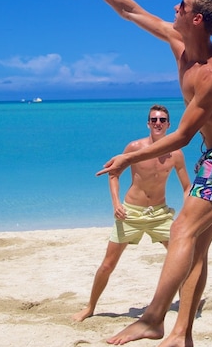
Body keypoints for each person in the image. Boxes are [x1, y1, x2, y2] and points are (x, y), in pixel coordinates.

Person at [55, 0, 212, 347]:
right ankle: (181, 334)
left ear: (196, 18)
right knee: (196, 248)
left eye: (181, 5)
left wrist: (129, 156)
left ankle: (153, 319)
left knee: (182, 229)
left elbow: (182, 136)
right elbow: (131, 11)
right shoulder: (178, 43)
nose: (174, 8)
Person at [71, 104, 191, 323]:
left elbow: (186, 187)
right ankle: (90, 307)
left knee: (181, 259)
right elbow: (114, 173)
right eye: (154, 120)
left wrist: (187, 213)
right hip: (130, 213)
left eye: (162, 120)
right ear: (148, 123)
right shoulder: (135, 147)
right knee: (108, 264)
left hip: (159, 215)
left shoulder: (176, 154)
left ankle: (185, 307)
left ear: (169, 125)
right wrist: (116, 203)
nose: (158, 123)